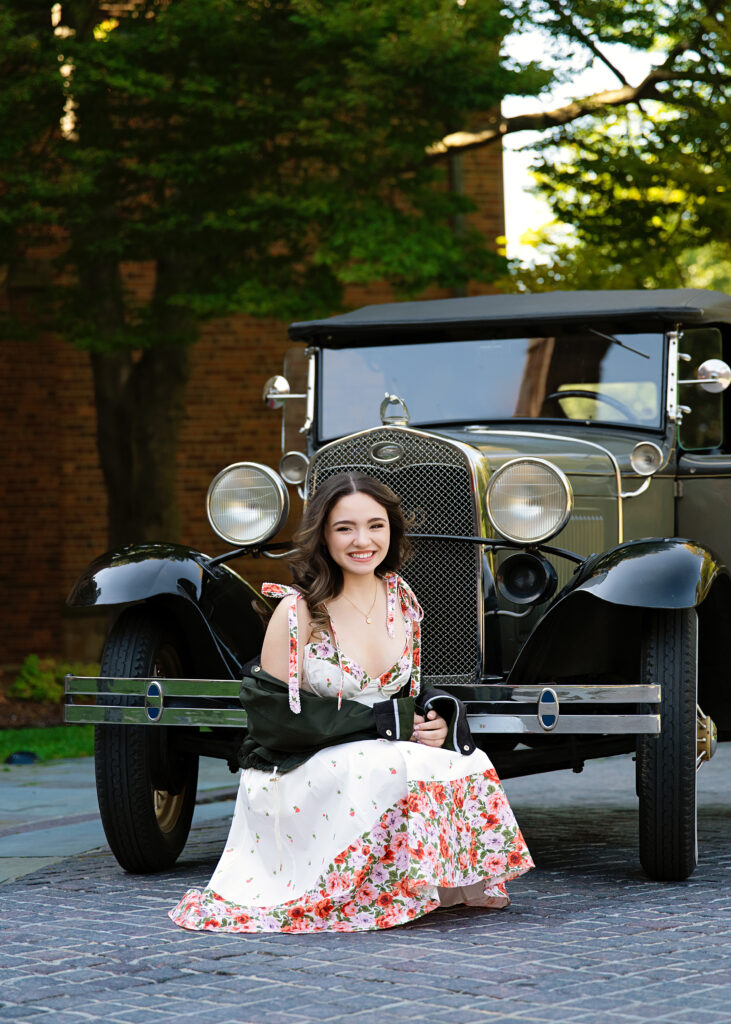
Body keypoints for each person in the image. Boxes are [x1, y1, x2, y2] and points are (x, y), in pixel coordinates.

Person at [170, 472, 533, 933]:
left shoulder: (402, 601)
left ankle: (420, 883)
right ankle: (363, 891)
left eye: (375, 526)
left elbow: (407, 697)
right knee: (389, 764)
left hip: (375, 748)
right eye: (345, 528)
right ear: (323, 535)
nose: (363, 540)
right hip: (299, 765)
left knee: (467, 760)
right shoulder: (296, 612)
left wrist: (432, 722)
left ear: (392, 532)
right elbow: (273, 722)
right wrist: (389, 721)